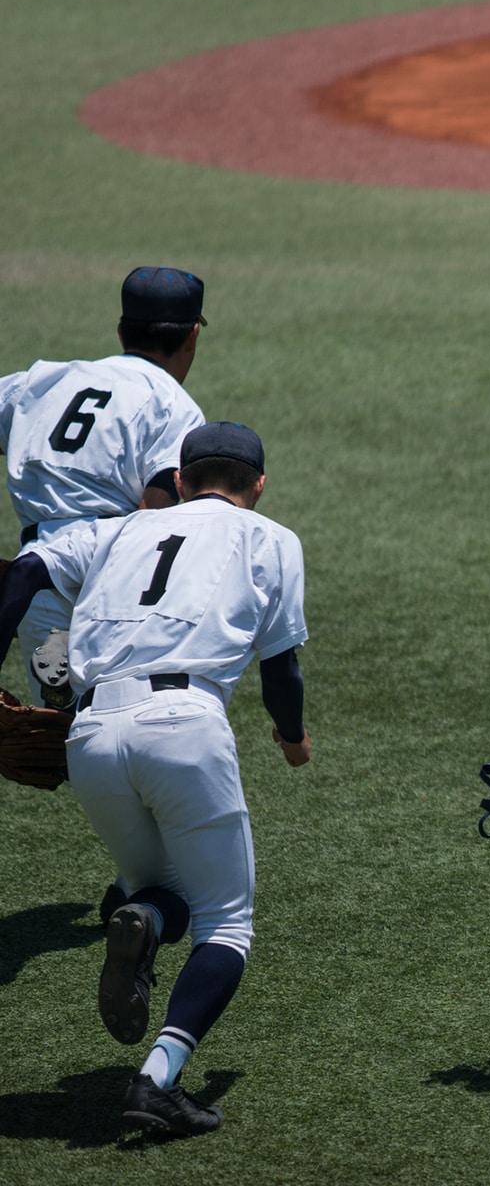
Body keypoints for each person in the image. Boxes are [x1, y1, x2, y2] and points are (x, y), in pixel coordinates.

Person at [0, 421, 311, 1137]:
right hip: (182, 722)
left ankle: (143, 920)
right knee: (227, 924)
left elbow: (20, 573)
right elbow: (281, 668)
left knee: (155, 891)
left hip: (91, 737)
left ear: (179, 480)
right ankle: (157, 1080)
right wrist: (292, 742)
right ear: (257, 486)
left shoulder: (119, 529)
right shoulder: (271, 539)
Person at [0, 265, 208, 923]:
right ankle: (145, 890)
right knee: (130, 724)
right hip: (114, 578)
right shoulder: (175, 406)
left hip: (38, 595)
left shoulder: (42, 380)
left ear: (121, 330)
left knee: (73, 724)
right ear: (192, 338)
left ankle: (137, 882)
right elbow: (158, 503)